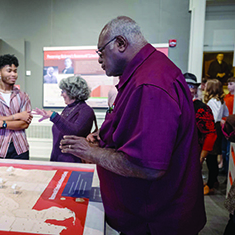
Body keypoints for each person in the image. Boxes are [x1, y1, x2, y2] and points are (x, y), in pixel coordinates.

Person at [59, 16, 206, 234]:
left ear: (120, 43)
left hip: (155, 221)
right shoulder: (144, 74)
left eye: (100, 51)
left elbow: (148, 165)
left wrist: (92, 153)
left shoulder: (150, 84)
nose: (99, 59)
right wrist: (104, 136)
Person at [0, 54, 33, 159]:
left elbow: (24, 124)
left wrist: (1, 123)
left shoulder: (23, 96)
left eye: (15, 71)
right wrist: (17, 116)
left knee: (21, 175)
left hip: (20, 148)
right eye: (9, 71)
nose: (13, 74)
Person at [33, 75, 95, 163]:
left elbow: (75, 132)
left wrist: (54, 116)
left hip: (74, 163)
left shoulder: (86, 110)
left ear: (72, 92)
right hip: (58, 160)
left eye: (63, 91)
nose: (61, 94)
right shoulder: (68, 108)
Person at [184, 73, 217, 165]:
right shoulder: (172, 105)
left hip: (192, 153)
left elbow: (211, 134)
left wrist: (201, 158)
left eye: (193, 87)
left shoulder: (201, 108)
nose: (191, 89)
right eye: (187, 86)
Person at [203, 79, 229, 195]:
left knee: (211, 157)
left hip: (213, 128)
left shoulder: (213, 101)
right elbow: (225, 114)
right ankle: (214, 181)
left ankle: (211, 183)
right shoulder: (221, 101)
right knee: (212, 157)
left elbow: (215, 116)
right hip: (216, 127)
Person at [222, 77, 235, 176]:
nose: (228, 86)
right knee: (224, 150)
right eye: (228, 84)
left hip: (232, 126)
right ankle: (225, 169)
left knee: (228, 151)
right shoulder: (226, 97)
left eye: (231, 84)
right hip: (225, 125)